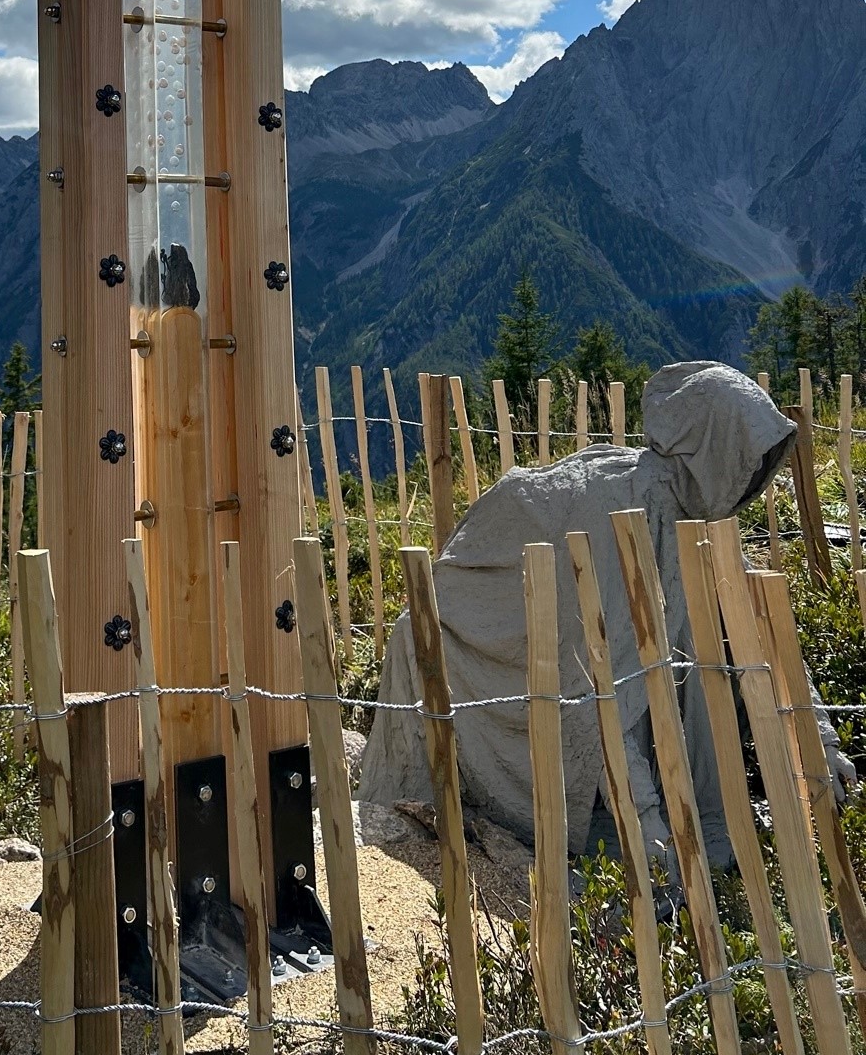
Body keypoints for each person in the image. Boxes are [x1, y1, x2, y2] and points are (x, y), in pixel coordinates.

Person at [355, 359, 855, 863]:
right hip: (536, 683)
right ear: (710, 447)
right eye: (743, 457)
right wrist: (644, 818)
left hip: (648, 738)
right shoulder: (612, 509)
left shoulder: (702, 522)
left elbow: (762, 631)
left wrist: (822, 741)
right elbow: (593, 689)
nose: (751, 477)